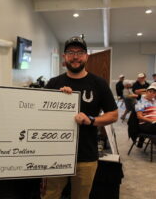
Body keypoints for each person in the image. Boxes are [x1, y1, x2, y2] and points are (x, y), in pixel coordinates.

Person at [42, 36, 118, 199]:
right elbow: (38, 114)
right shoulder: (53, 83)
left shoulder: (99, 83)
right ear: (64, 57)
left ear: (86, 56)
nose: (75, 56)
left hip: (86, 155)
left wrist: (92, 120)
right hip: (55, 153)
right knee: (50, 195)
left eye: (80, 52)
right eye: (70, 52)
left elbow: (113, 115)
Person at [134, 84, 156, 148]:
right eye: (150, 91)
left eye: (154, 93)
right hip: (145, 125)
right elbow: (139, 116)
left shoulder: (154, 101)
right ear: (146, 92)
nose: (152, 94)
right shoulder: (141, 102)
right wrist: (152, 121)